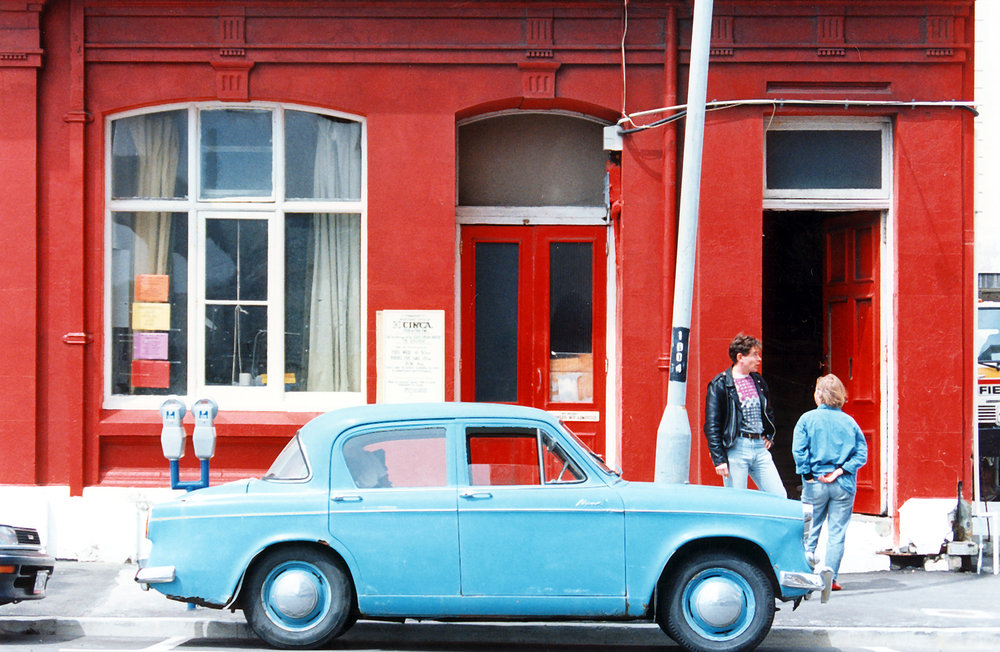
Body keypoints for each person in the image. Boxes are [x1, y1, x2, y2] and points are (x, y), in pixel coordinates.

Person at [792, 374, 868, 591]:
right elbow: (861, 453)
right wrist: (840, 471)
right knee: (837, 532)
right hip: (842, 483)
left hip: (815, 480)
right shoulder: (850, 422)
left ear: (818, 395)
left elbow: (799, 450)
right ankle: (831, 577)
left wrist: (806, 475)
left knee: (810, 529)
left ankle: (805, 571)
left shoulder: (807, 419)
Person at [703, 334, 787, 497]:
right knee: (736, 500)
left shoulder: (758, 381)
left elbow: (767, 411)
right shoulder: (720, 383)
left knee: (779, 495)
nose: (759, 359)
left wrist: (768, 435)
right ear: (740, 357)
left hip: (759, 447)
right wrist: (718, 459)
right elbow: (712, 424)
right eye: (754, 354)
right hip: (736, 447)